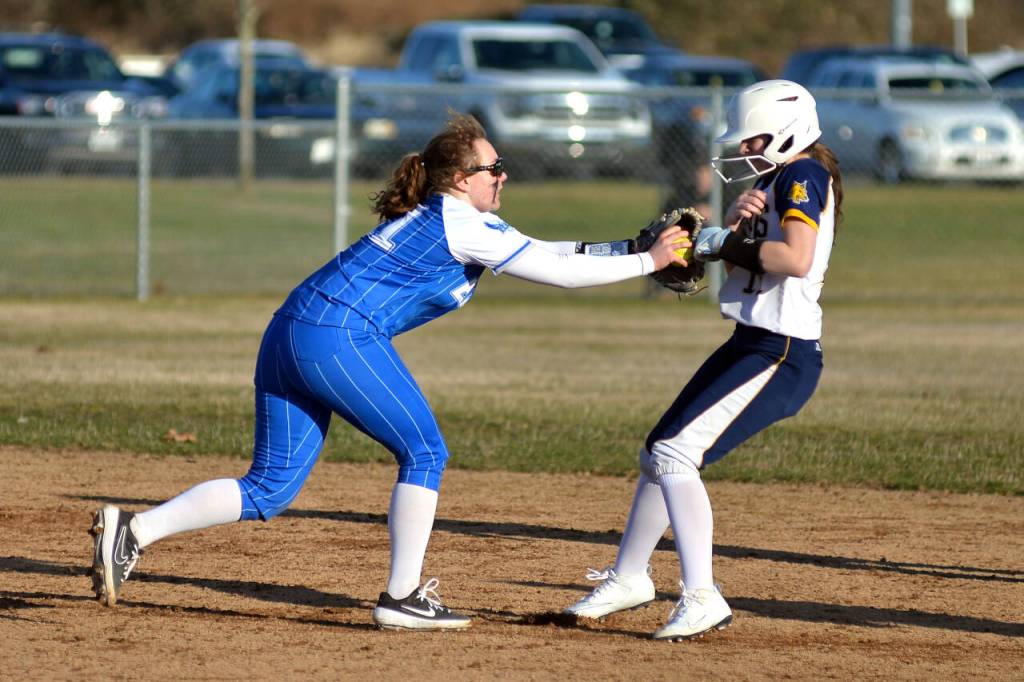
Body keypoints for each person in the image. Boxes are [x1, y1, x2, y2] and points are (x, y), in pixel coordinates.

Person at [89, 113, 690, 631]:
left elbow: (550, 252)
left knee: (269, 488)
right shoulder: (461, 221)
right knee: (425, 451)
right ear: (460, 180)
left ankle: (132, 533)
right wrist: (649, 261)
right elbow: (558, 274)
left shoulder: (459, 219)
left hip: (290, 331)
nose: (502, 174)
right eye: (492, 167)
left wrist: (631, 249)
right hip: (335, 335)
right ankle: (402, 598)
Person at [562, 80, 842, 641]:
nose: (744, 149)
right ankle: (630, 577)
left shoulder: (803, 174)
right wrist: (735, 226)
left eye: (755, 137)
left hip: (781, 351)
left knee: (674, 454)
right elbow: (756, 259)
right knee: (656, 453)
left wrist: (721, 244)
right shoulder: (778, 177)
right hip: (753, 341)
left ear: (789, 130)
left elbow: (796, 257)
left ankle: (701, 595)